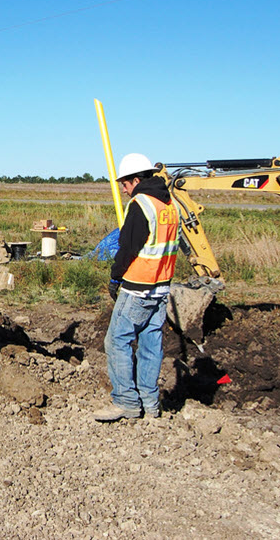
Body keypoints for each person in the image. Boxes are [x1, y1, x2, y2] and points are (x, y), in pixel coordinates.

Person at [93, 152, 179, 422]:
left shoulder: (141, 204)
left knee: (117, 341)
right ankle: (150, 405)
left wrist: (116, 277)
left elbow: (128, 247)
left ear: (137, 180)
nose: (124, 189)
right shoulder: (169, 205)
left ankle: (126, 402)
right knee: (151, 346)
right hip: (162, 289)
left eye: (126, 184)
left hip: (138, 287)